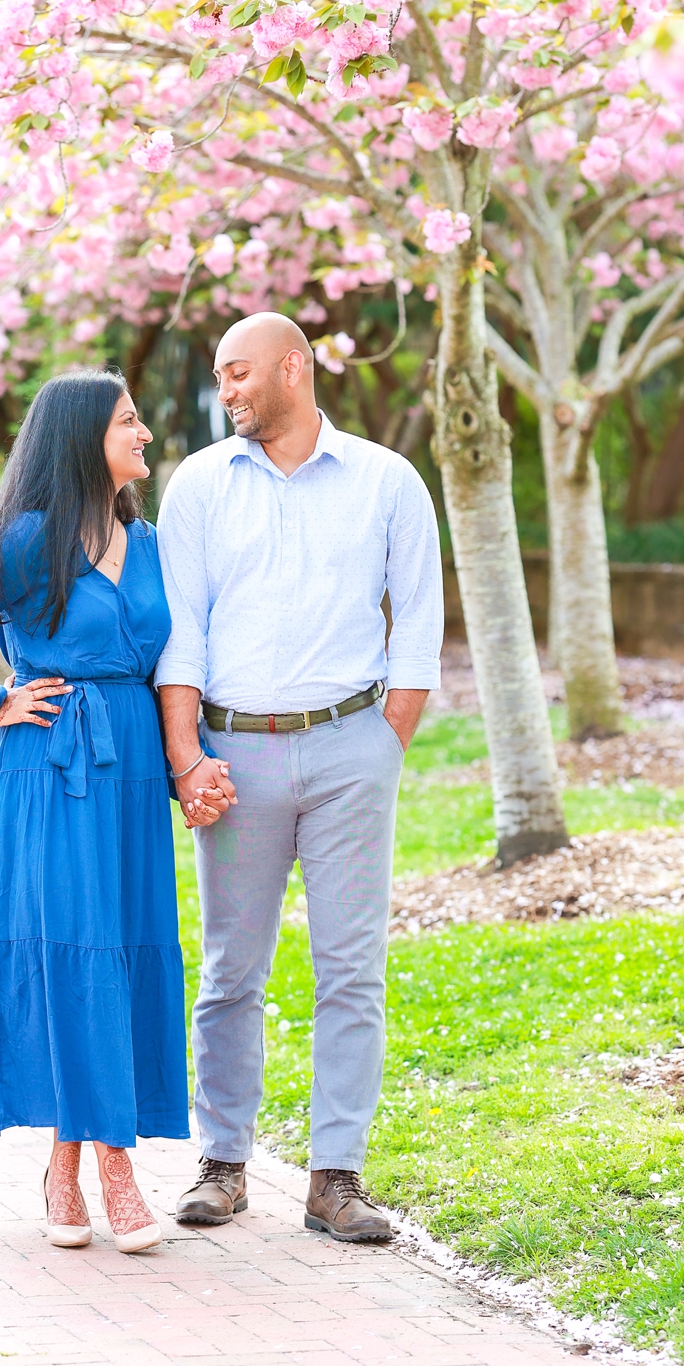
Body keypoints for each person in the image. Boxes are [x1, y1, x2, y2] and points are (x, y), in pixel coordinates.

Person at [0, 370, 225, 1254]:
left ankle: (67, 1163)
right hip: (48, 764)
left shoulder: (151, 544)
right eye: (128, 422)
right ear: (84, 437)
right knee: (68, 947)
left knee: (119, 949)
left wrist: (188, 765)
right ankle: (114, 1165)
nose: (147, 433)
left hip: (128, 774)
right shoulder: (21, 541)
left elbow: (171, 668)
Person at [155, 312, 444, 1243]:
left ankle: (336, 1179)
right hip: (234, 754)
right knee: (232, 969)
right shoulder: (197, 486)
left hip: (350, 751)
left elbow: (421, 625)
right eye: (218, 377)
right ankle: (222, 1164)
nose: (227, 391)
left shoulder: (387, 481)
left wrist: (382, 743)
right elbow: (181, 632)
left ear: (294, 367)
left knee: (352, 970)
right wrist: (189, 753)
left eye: (240, 373)